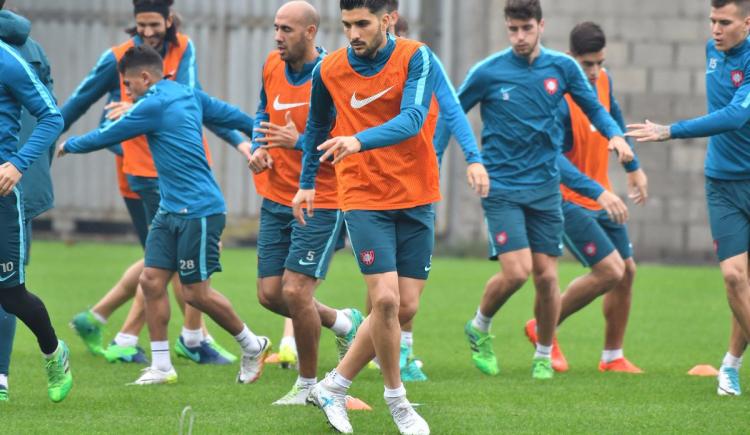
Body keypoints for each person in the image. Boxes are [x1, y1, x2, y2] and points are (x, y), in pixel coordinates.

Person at [59, 44, 271, 385]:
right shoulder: (188, 94)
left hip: (199, 211)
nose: (126, 92)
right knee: (151, 280)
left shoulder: (153, 104)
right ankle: (161, 366)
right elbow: (233, 116)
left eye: (128, 85)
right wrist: (258, 134)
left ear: (144, 78)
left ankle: (252, 344)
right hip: (170, 209)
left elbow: (109, 134)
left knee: (195, 293)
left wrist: (70, 144)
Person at [446, 0, 634, 380]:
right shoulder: (487, 72)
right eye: (513, 29)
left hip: (546, 189)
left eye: (526, 29)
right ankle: (479, 326)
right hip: (502, 186)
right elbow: (452, 112)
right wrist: (467, 158)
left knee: (548, 277)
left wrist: (615, 135)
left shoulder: (562, 69)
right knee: (517, 272)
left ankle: (544, 355)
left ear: (541, 26)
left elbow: (597, 109)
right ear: (506, 28)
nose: (519, 37)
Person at [292, 0, 436, 433]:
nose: (352, 33)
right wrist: (307, 182)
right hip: (361, 193)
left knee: (404, 306)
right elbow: (317, 127)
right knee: (386, 300)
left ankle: (333, 386)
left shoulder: (417, 56)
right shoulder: (329, 69)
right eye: (346, 24)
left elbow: (412, 119)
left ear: (388, 20)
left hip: (415, 193)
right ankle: (399, 402)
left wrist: (357, 139)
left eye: (362, 23)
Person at [627, 0, 750, 395]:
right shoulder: (711, 50)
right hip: (722, 182)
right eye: (712, 21)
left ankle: (730, 363)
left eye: (725, 22)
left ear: (747, 23)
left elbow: (735, 115)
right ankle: (731, 366)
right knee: (734, 277)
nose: (715, 29)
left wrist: (670, 131)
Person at [247, 0, 363, 405]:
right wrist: (258, 146)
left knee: (296, 292)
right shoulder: (271, 64)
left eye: (287, 30)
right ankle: (345, 322)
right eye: (276, 28)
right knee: (269, 294)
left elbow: (344, 141)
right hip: (276, 195)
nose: (278, 37)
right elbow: (263, 110)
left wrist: (295, 141)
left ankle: (310, 386)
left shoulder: (332, 74)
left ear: (311, 32)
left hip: (323, 198)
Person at [522, 21, 649, 374]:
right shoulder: (556, 97)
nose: (594, 72)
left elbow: (614, 119)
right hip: (565, 198)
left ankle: (612, 357)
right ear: (569, 58)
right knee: (611, 270)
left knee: (628, 272)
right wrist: (598, 191)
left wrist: (633, 166)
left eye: (599, 63)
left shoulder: (604, 80)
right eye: (586, 65)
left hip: (601, 194)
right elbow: (553, 159)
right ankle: (543, 327)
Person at [374, 0, 490, 383]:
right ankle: (391, 356)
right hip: (373, 191)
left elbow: (453, 113)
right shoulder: (366, 69)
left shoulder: (424, 66)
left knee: (405, 299)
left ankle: (379, 341)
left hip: (417, 191)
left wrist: (472, 157)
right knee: (383, 287)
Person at [0, 6, 71, 402]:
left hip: (2, 195)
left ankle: (54, 352)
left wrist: (17, 164)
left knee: (9, 295)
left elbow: (51, 117)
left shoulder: (9, 60)